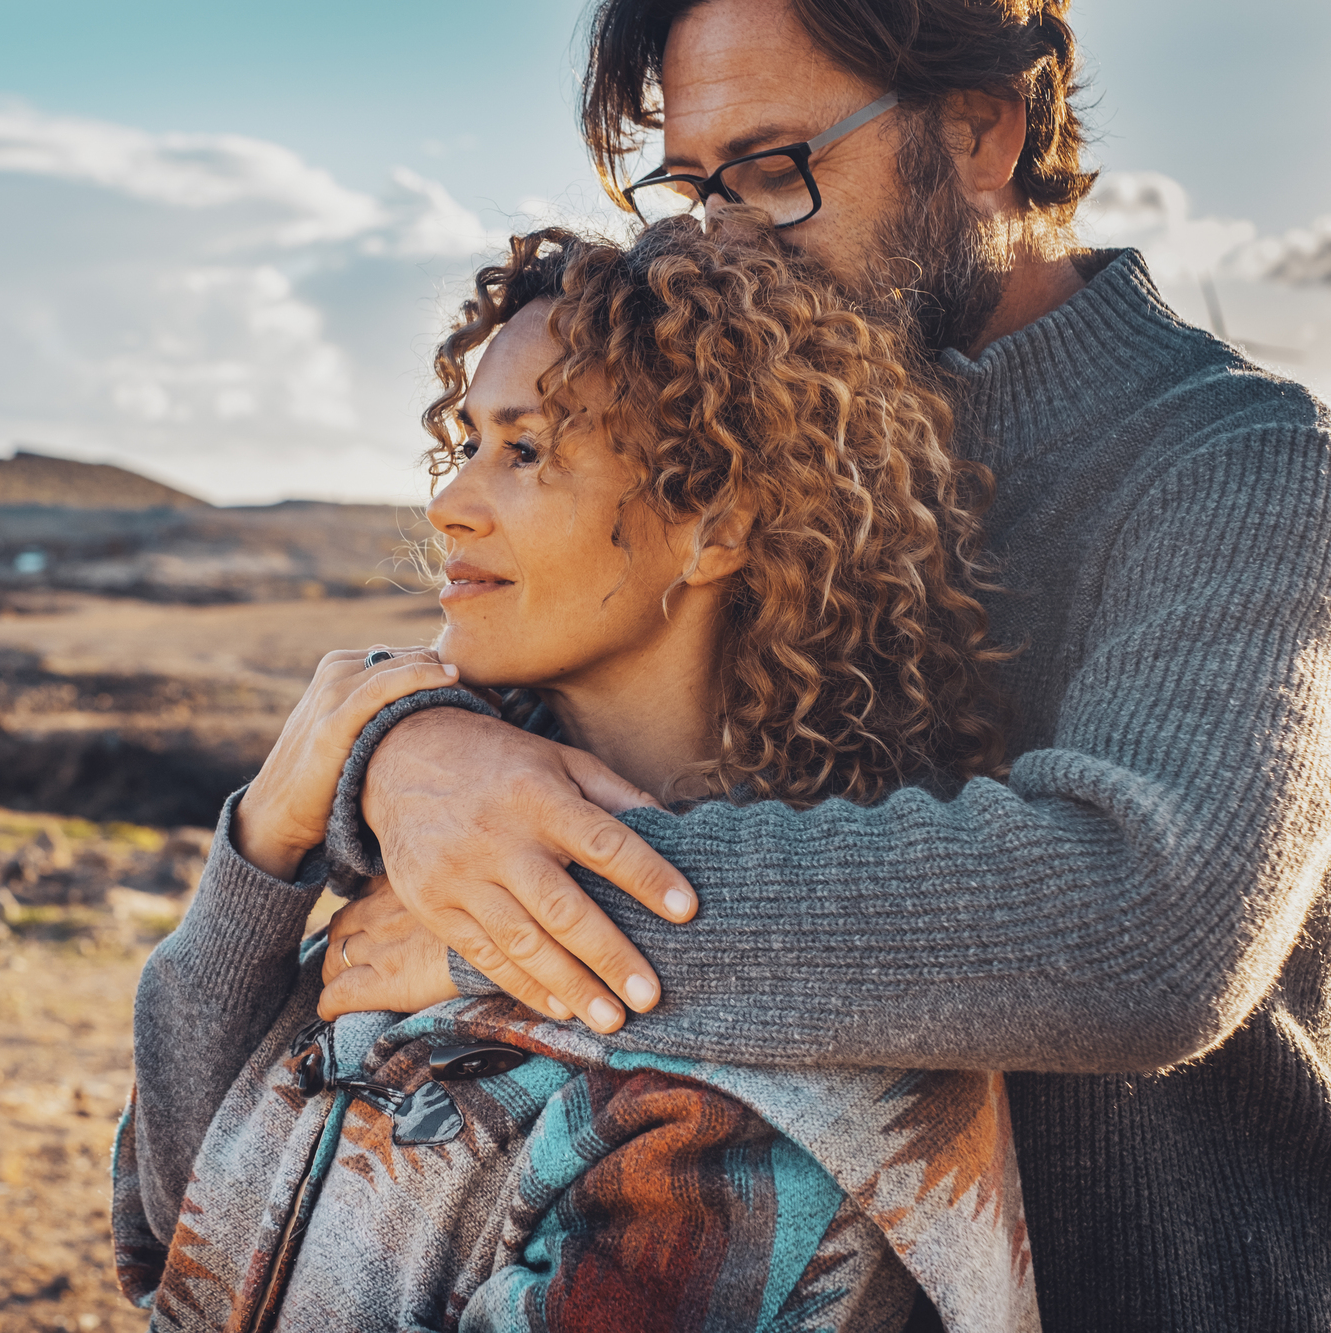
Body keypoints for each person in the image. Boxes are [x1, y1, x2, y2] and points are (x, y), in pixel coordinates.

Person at [317, 0, 1331, 1326]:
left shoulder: (1238, 462)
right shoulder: (738, 444)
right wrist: (406, 745)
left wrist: (516, 924)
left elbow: (1148, 924)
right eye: (689, 188)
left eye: (776, 169)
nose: (728, 236)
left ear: (980, 132)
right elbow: (565, 637)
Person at [116, 219, 1037, 1332]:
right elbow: (168, 1225)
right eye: (464, 443)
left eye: (522, 449)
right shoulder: (446, 845)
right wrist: (266, 835)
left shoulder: (747, 1112)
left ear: (716, 522)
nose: (447, 502)